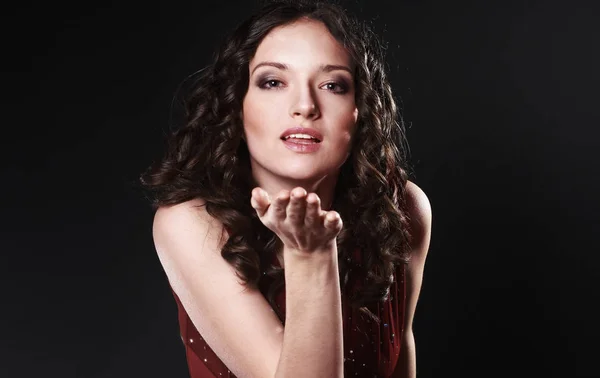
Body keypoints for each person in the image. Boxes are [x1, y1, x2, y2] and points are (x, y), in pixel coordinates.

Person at [140, 1, 432, 377]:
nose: (305, 106)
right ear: (238, 105)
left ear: (357, 110)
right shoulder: (191, 224)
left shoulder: (402, 207)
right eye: (273, 82)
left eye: (332, 85)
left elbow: (401, 353)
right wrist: (310, 255)